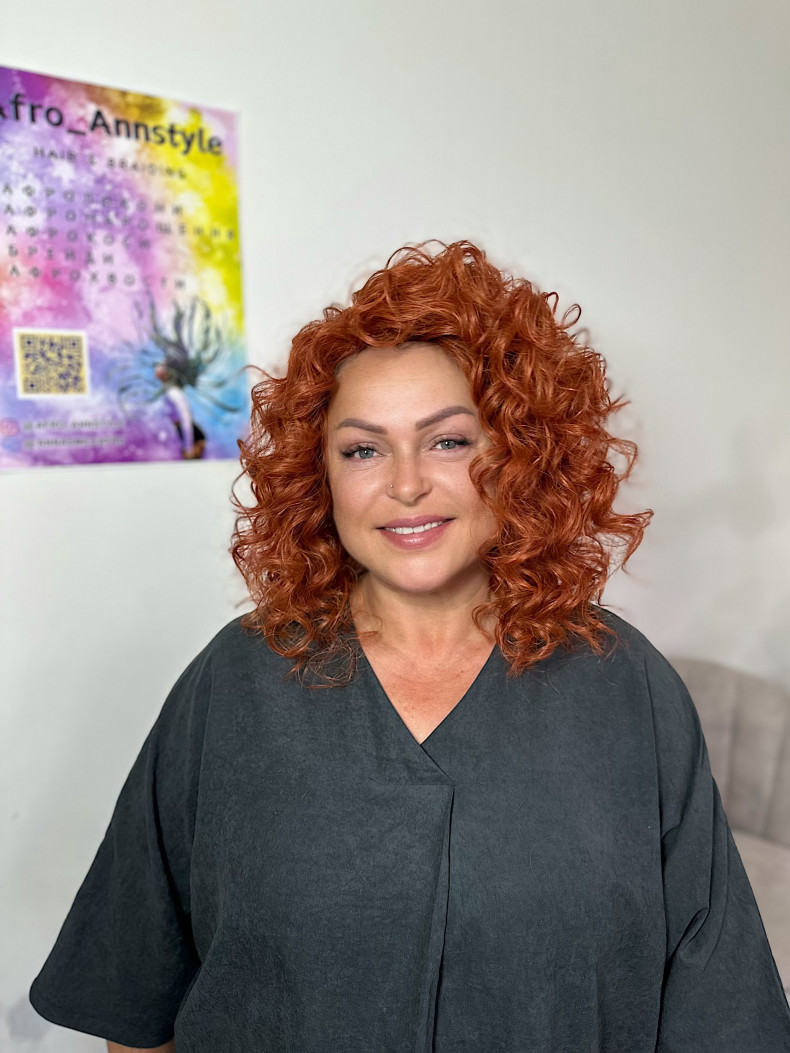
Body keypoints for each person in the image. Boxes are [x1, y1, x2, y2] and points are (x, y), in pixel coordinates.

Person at [29, 241, 790, 1052]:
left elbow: (720, 1010)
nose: (405, 483)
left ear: (521, 453)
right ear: (318, 475)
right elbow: (137, 996)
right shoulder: (234, 681)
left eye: (448, 440)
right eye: (363, 449)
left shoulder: (626, 684)